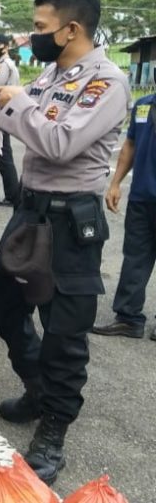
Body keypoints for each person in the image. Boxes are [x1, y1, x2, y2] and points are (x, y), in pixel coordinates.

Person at [0, 0, 130, 485]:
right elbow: (29, 127)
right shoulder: (50, 74)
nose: (34, 36)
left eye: (42, 28)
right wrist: (14, 103)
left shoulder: (105, 83)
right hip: (31, 211)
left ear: (72, 29)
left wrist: (19, 103)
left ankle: (54, 430)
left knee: (64, 329)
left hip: (72, 222)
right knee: (1, 297)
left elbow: (59, 142)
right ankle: (38, 385)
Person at [92, 88, 156, 341]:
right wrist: (116, 183)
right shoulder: (143, 105)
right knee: (135, 256)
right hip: (142, 197)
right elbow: (129, 144)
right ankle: (129, 318)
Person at [0, 34, 21, 207]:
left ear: (6, 47)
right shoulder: (0, 65)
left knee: (4, 155)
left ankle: (13, 196)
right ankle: (13, 195)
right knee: (3, 154)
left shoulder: (5, 66)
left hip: (1, 114)